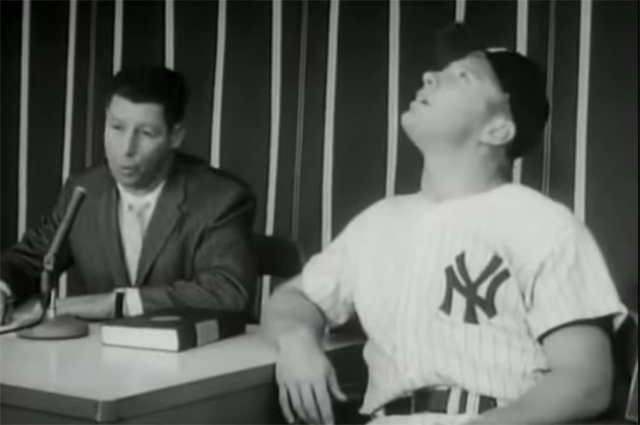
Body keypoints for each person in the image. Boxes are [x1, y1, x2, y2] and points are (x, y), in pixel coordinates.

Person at [263, 23, 628, 425]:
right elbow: (296, 297)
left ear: (497, 129)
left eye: (463, 76)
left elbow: (585, 381)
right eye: (440, 71)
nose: (429, 76)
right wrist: (297, 341)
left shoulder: (543, 225)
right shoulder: (378, 222)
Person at [0, 66, 256, 324]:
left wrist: (118, 303)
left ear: (176, 136)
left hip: (194, 348)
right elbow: (29, 260)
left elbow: (226, 291)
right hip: (98, 348)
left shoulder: (220, 199)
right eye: (117, 127)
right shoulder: (84, 190)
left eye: (145, 133)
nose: (126, 148)